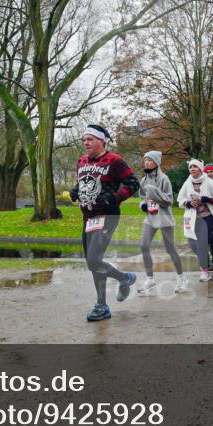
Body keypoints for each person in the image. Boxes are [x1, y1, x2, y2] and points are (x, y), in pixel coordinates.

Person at [69, 124, 138, 321]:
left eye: (90, 139)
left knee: (94, 259)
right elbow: (83, 182)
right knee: (93, 263)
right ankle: (124, 279)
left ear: (102, 141)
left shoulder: (115, 161)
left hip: (108, 216)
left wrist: (114, 198)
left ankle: (102, 305)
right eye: (84, 139)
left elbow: (133, 184)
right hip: (88, 217)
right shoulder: (82, 161)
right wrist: (75, 191)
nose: (86, 142)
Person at [137, 151, 187, 294]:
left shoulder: (164, 179)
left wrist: (154, 193)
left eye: (149, 160)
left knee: (170, 249)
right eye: (145, 159)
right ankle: (150, 279)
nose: (146, 162)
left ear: (156, 162)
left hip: (164, 218)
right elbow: (142, 198)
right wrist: (143, 205)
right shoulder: (143, 181)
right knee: (144, 246)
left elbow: (169, 200)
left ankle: (181, 278)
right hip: (150, 218)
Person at [177, 159, 213, 283]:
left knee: (201, 243)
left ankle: (204, 271)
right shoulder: (187, 182)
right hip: (191, 217)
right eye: (190, 167)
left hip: (207, 217)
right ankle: (205, 257)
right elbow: (180, 199)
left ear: (200, 169)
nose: (192, 169)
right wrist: (189, 203)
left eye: (195, 167)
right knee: (193, 244)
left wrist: (205, 199)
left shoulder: (209, 182)